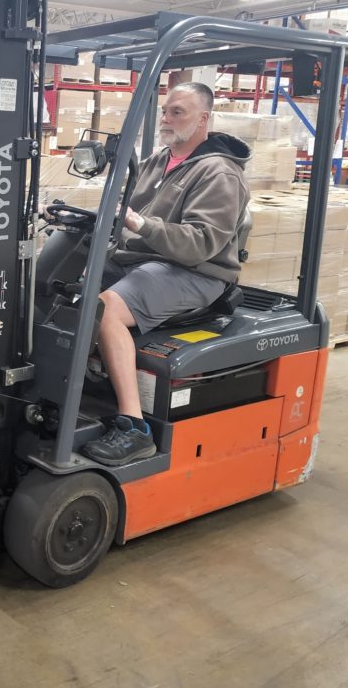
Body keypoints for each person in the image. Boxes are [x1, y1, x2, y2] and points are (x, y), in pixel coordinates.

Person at [80, 82, 252, 467]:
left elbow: (200, 243)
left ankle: (134, 427)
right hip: (145, 260)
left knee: (106, 309)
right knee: (58, 288)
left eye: (179, 112)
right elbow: (126, 215)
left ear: (204, 119)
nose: (168, 118)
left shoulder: (219, 173)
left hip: (195, 271)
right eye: (166, 111)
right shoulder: (160, 160)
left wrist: (143, 226)